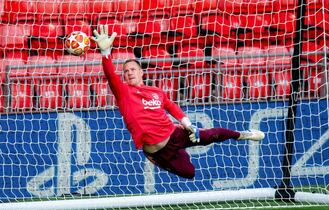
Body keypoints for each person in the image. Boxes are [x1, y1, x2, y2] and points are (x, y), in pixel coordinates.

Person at [92, 25, 265, 179]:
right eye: (126, 71)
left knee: (214, 134)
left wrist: (187, 123)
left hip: (174, 134)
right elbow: (110, 74)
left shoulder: (157, 92)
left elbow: (172, 107)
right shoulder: (123, 92)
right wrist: (106, 53)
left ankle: (243, 135)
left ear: (142, 72)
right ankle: (162, 155)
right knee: (189, 172)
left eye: (133, 69)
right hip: (158, 151)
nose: (129, 72)